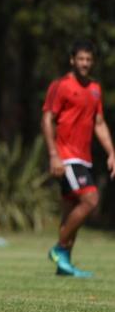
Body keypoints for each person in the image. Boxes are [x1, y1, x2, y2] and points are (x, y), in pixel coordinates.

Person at [42, 40, 115, 278]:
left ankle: (64, 265)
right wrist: (53, 154)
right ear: (72, 60)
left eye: (89, 59)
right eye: (81, 59)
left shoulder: (95, 89)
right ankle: (59, 248)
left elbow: (99, 123)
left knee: (72, 209)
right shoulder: (61, 86)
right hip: (66, 156)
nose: (85, 63)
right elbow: (47, 120)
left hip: (84, 157)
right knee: (90, 200)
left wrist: (112, 151)